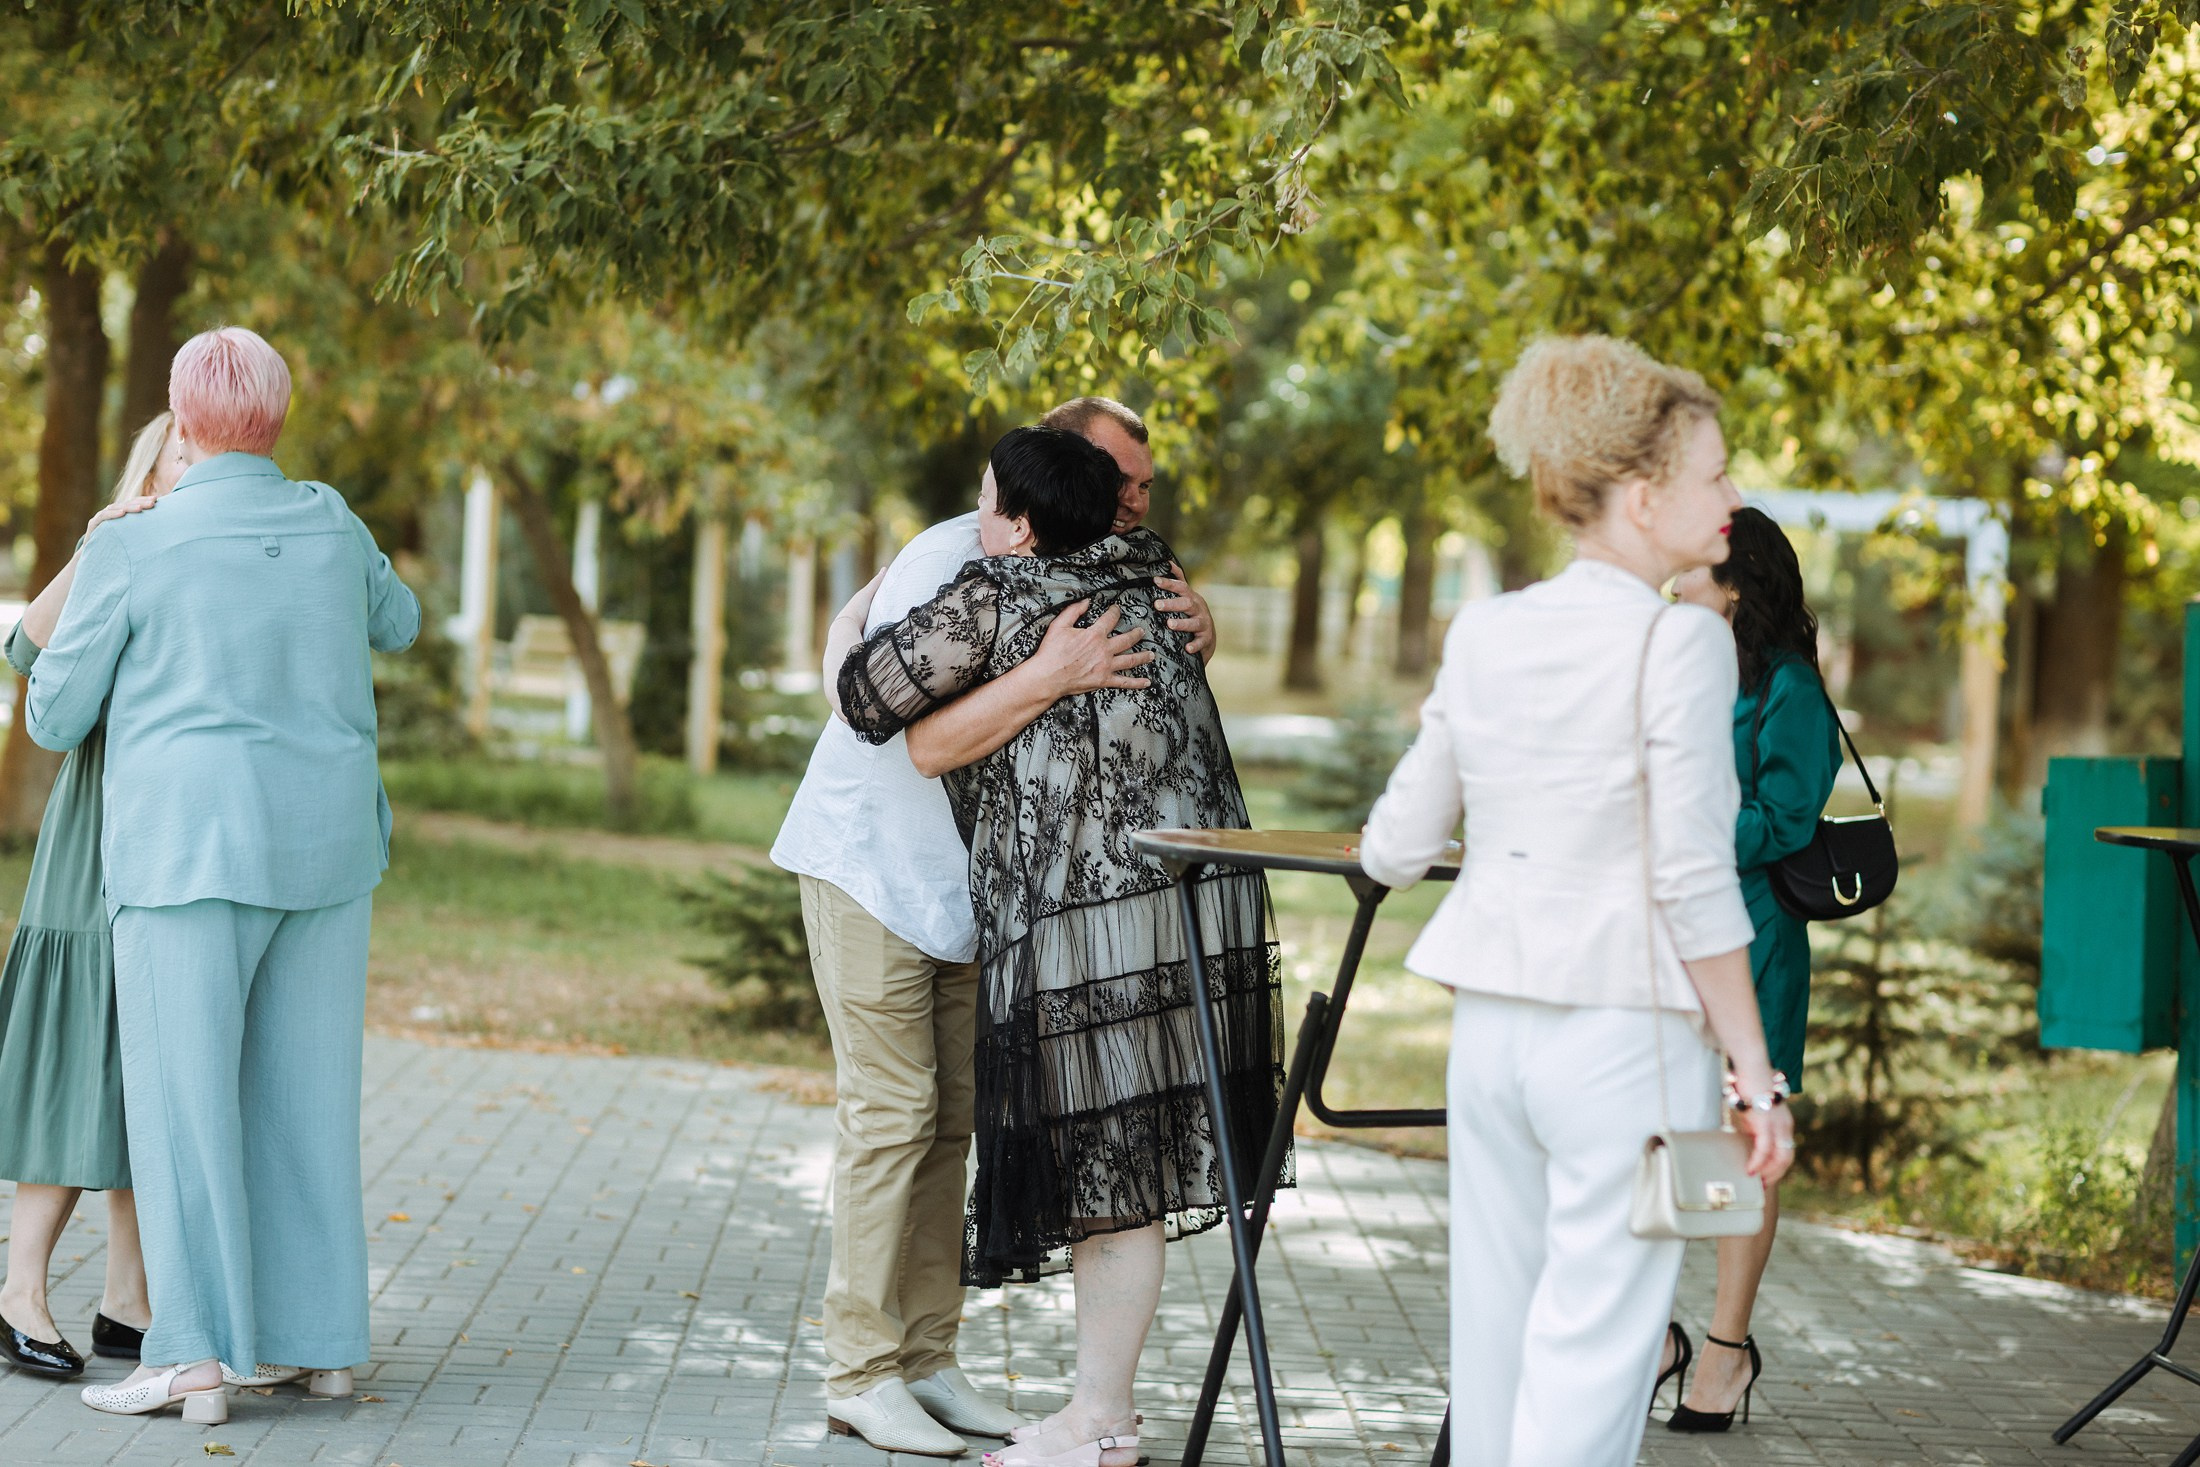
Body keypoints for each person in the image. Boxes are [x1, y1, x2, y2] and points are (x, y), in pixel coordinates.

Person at [1357, 335, 1795, 1467]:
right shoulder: (1682, 642)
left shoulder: (1488, 629)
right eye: (1715, 475)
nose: (1734, 499)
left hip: (1490, 1032)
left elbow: (1397, 847)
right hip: (1626, 1042)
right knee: (1592, 1361)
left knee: (1497, 1339)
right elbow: (1693, 881)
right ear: (1645, 500)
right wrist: (1756, 1077)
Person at [770, 396, 1213, 1459]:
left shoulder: (1089, 562)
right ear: (1060, 477)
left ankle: (925, 1359)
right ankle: (861, 1371)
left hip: (978, 895)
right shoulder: (951, 561)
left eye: (1140, 490)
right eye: (1121, 482)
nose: (1134, 503)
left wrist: (1204, 628)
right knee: (892, 1115)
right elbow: (901, 725)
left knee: (949, 1123)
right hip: (873, 869)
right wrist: (1044, 673)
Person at [25, 326, 419, 1426]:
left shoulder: (138, 540)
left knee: (185, 1108)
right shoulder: (332, 520)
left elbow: (53, 714)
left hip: (184, 854)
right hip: (328, 851)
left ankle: (191, 1358)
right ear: (278, 416)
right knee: (305, 1103)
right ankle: (321, 1347)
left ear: (179, 416)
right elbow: (400, 621)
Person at [0, 412, 186, 1381]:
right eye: (174, 454)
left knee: (139, 1067)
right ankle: (18, 1287)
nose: (188, 469)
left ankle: (128, 1301)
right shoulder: (121, 547)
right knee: (81, 1054)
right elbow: (26, 656)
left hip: (173, 834)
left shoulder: (209, 556)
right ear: (147, 467)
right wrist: (96, 538)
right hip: (96, 836)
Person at [1663, 505, 1839, 1431]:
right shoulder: (1685, 666)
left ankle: (1724, 1351)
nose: (1675, 582)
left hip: (1753, 935)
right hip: (1671, 934)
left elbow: (1784, 820)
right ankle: (1654, 1336)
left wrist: (1674, 837)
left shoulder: (1790, 686)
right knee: (1663, 1128)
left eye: (1690, 569)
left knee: (1737, 1144)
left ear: (1736, 581)